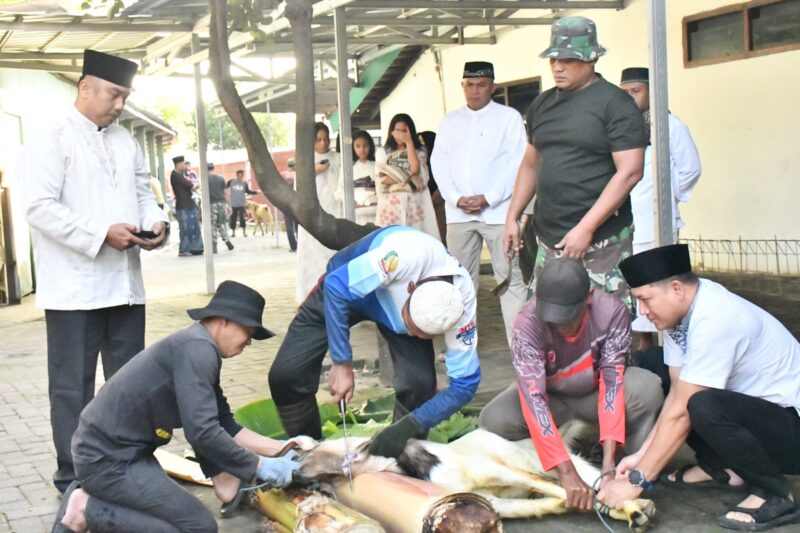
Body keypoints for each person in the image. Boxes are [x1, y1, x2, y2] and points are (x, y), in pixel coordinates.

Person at [20, 49, 169, 494]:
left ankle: (130, 464)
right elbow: (38, 208)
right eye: (113, 94)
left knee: (131, 383)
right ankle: (75, 476)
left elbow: (143, 192)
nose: (120, 105)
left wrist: (156, 221)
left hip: (125, 286)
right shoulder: (51, 136)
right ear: (85, 87)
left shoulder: (125, 140)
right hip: (74, 290)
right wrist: (100, 234)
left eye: (125, 97)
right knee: (72, 388)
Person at [51, 281, 300, 533]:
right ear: (225, 320)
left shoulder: (198, 345)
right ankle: (86, 509)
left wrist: (283, 448)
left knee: (191, 524)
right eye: (249, 331)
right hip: (106, 459)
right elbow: (202, 432)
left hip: (127, 454)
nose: (249, 342)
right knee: (197, 528)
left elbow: (224, 423)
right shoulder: (198, 350)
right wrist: (258, 465)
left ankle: (96, 504)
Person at [599, 245, 800, 532]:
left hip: (791, 430)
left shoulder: (717, 318)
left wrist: (639, 480)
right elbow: (677, 393)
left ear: (676, 289)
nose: (642, 311)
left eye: (645, 299)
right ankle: (720, 466)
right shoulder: (680, 315)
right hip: (756, 418)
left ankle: (774, 493)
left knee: (702, 405)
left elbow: (683, 411)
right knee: (655, 365)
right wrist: (640, 456)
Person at [269, 225, 480, 459]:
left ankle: (395, 460)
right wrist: (342, 362)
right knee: (287, 375)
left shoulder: (462, 305)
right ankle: (309, 454)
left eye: (427, 335)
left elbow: (464, 386)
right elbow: (337, 286)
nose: (419, 337)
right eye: (414, 327)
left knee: (419, 385)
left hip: (394, 312)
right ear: (410, 288)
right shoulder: (402, 256)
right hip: (343, 293)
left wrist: (410, 425)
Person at [479, 258, 663, 510]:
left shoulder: (612, 312)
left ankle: (626, 463)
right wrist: (565, 470)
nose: (560, 325)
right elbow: (533, 398)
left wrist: (609, 465)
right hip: (552, 398)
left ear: (589, 297)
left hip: (594, 394)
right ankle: (554, 459)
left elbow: (612, 384)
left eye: (567, 317)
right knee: (493, 419)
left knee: (648, 388)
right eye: (552, 317)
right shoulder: (527, 322)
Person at [503, 16, 647, 313]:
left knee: (604, 322)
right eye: (554, 59)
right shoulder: (542, 104)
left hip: (601, 240)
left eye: (568, 60)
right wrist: (512, 216)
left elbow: (630, 171)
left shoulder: (615, 104)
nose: (558, 66)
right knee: (548, 321)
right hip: (549, 238)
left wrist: (586, 228)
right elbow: (531, 164)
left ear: (591, 59)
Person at [431, 61, 528, 340]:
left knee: (510, 280)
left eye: (481, 85)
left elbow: (518, 163)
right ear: (462, 86)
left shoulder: (508, 118)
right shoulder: (449, 121)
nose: (474, 91)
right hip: (458, 214)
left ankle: (521, 349)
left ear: (492, 87)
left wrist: (490, 197)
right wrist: (455, 198)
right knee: (458, 283)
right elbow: (439, 163)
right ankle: (461, 348)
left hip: (499, 214)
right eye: (469, 85)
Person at [619, 67, 702, 350]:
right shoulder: (622, 127)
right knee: (636, 286)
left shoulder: (670, 125)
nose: (630, 97)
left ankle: (671, 350)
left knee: (661, 286)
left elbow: (690, 168)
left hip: (657, 220)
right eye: (625, 92)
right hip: (629, 221)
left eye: (636, 91)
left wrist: (665, 197)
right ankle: (645, 349)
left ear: (652, 92)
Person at [295, 122, 342, 304]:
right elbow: (298, 188)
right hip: (312, 215)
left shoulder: (338, 158)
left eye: (326, 139)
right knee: (311, 255)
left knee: (332, 253)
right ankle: (308, 296)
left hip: (334, 211)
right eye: (318, 139)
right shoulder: (305, 160)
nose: (323, 143)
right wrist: (311, 171)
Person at [375, 114, 438, 239]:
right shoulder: (382, 152)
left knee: (417, 241)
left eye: (404, 131)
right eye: (398, 131)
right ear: (392, 132)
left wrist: (409, 143)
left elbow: (416, 169)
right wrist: (411, 177)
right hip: (391, 206)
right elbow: (382, 178)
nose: (401, 135)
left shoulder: (420, 151)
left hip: (414, 204)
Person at [170, 155, 203, 256]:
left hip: (188, 205)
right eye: (183, 164)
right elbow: (192, 186)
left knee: (192, 227)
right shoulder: (176, 176)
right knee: (186, 228)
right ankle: (184, 249)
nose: (185, 166)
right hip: (184, 206)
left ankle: (195, 248)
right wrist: (199, 183)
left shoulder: (179, 175)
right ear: (179, 164)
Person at [344, 129, 378, 226]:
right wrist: (352, 202)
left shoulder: (377, 166)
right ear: (353, 147)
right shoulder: (348, 169)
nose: (362, 150)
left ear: (370, 146)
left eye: (365, 145)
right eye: (358, 146)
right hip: (357, 213)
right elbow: (340, 190)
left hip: (375, 211)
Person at [418, 130, 447, 243]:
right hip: (422, 209)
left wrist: (433, 199)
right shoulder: (418, 163)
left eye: (422, 144)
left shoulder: (440, 163)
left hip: (438, 207)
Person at [207, 162, 234, 253]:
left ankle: (214, 246)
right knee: (221, 224)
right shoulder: (221, 179)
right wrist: (229, 206)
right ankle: (226, 240)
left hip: (211, 204)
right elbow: (226, 194)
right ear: (213, 168)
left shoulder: (205, 180)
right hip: (222, 204)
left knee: (212, 225)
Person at [226, 169, 255, 238]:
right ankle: (233, 233)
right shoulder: (231, 182)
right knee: (233, 218)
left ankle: (244, 232)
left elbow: (248, 191)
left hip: (242, 203)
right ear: (236, 175)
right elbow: (225, 188)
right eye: (239, 176)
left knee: (242, 217)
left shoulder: (244, 184)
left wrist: (256, 192)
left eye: (241, 176)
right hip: (233, 203)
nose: (240, 178)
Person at [280, 160, 298, 252]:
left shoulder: (282, 175)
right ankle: (301, 245)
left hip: (286, 202)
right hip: (297, 202)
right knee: (299, 224)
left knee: (288, 225)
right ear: (295, 165)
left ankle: (293, 246)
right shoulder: (298, 175)